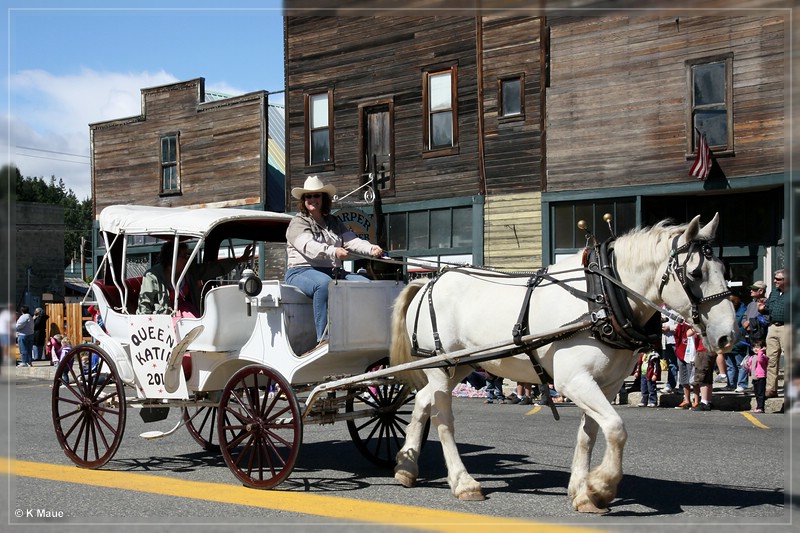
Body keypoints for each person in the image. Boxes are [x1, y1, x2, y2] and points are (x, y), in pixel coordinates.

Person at [285, 175, 384, 344]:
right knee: (323, 284)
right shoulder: (298, 223)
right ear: (303, 200)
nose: (312, 199)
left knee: (363, 284)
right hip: (300, 271)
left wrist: (371, 248)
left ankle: (358, 332)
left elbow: (352, 241)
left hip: (332, 271)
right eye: (308, 196)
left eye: (316, 195)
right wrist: (334, 252)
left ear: (324, 198)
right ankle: (323, 338)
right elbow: (308, 246)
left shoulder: (333, 222)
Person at [137, 240, 253, 316]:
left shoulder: (189, 271)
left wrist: (238, 260)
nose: (187, 259)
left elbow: (212, 268)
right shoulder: (152, 276)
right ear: (172, 258)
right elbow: (144, 305)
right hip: (166, 318)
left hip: (188, 312)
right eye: (184, 256)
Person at [759, 269, 787, 398]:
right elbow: (769, 308)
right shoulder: (774, 293)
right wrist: (763, 309)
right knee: (771, 360)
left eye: (778, 279)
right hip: (773, 327)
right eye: (775, 278)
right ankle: (771, 388)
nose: (775, 281)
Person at [723, 293, 749, 392]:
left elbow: (741, 326)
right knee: (730, 365)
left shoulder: (743, 311)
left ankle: (742, 384)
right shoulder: (726, 311)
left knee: (741, 364)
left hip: (739, 340)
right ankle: (731, 384)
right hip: (728, 340)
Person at [688, 326, 715, 411]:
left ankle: (704, 402)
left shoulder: (701, 325)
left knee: (702, 376)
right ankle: (708, 401)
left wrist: (694, 327)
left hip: (703, 350)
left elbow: (688, 333)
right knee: (708, 377)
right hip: (711, 350)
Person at [674, 321, 696, 409]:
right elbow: (677, 336)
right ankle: (687, 400)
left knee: (693, 379)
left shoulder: (695, 324)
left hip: (692, 354)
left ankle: (696, 400)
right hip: (681, 352)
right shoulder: (682, 324)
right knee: (683, 378)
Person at [744, 340, 768, 413]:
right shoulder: (752, 357)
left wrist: (761, 351)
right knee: (757, 394)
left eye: (758, 347)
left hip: (761, 377)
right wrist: (746, 365)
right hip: (754, 377)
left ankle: (761, 407)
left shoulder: (763, 356)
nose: (755, 349)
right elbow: (750, 366)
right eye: (754, 347)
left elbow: (760, 361)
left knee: (761, 394)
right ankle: (758, 407)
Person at [660, 310, 678, 393]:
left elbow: (683, 324)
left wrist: (670, 328)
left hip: (677, 341)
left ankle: (683, 386)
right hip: (666, 342)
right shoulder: (662, 310)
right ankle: (670, 385)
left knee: (682, 364)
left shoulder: (676, 310)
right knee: (671, 364)